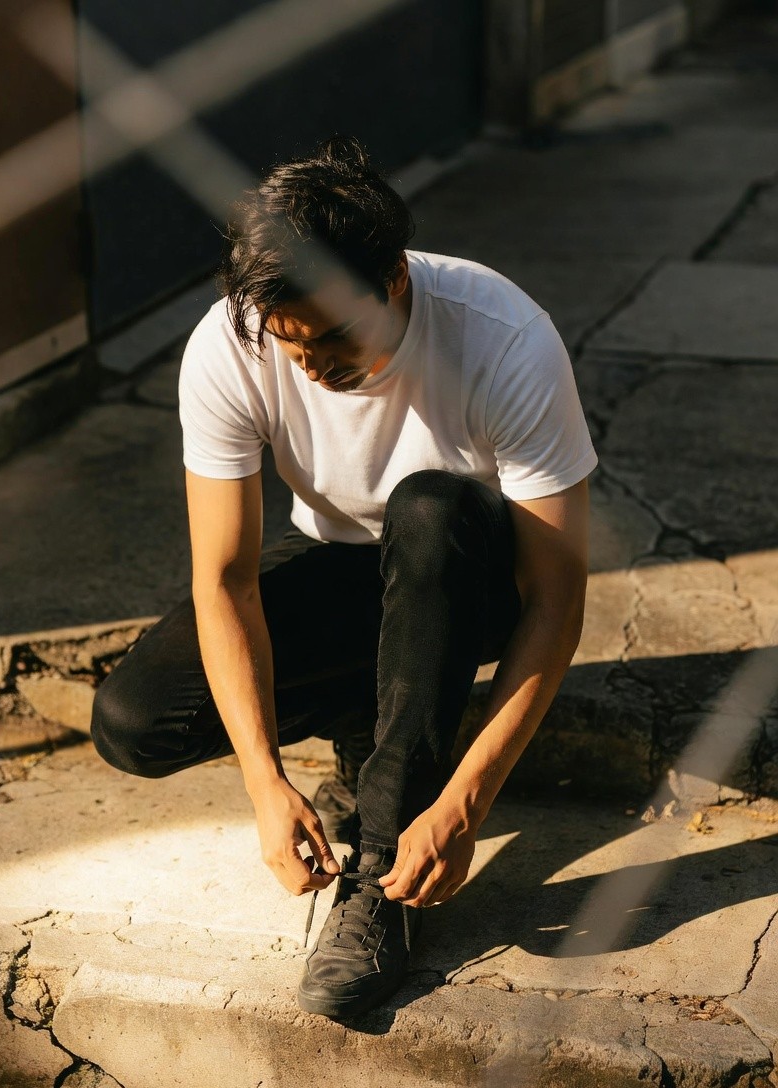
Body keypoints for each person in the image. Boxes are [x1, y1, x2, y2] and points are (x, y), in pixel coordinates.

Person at [90, 136, 595, 1022]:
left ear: (393, 279)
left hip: (467, 578)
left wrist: (466, 804)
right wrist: (263, 781)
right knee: (135, 723)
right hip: (342, 566)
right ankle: (373, 734)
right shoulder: (231, 346)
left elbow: (556, 599)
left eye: (330, 336)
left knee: (430, 508)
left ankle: (382, 877)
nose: (311, 365)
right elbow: (225, 580)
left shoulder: (504, 337)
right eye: (290, 345)